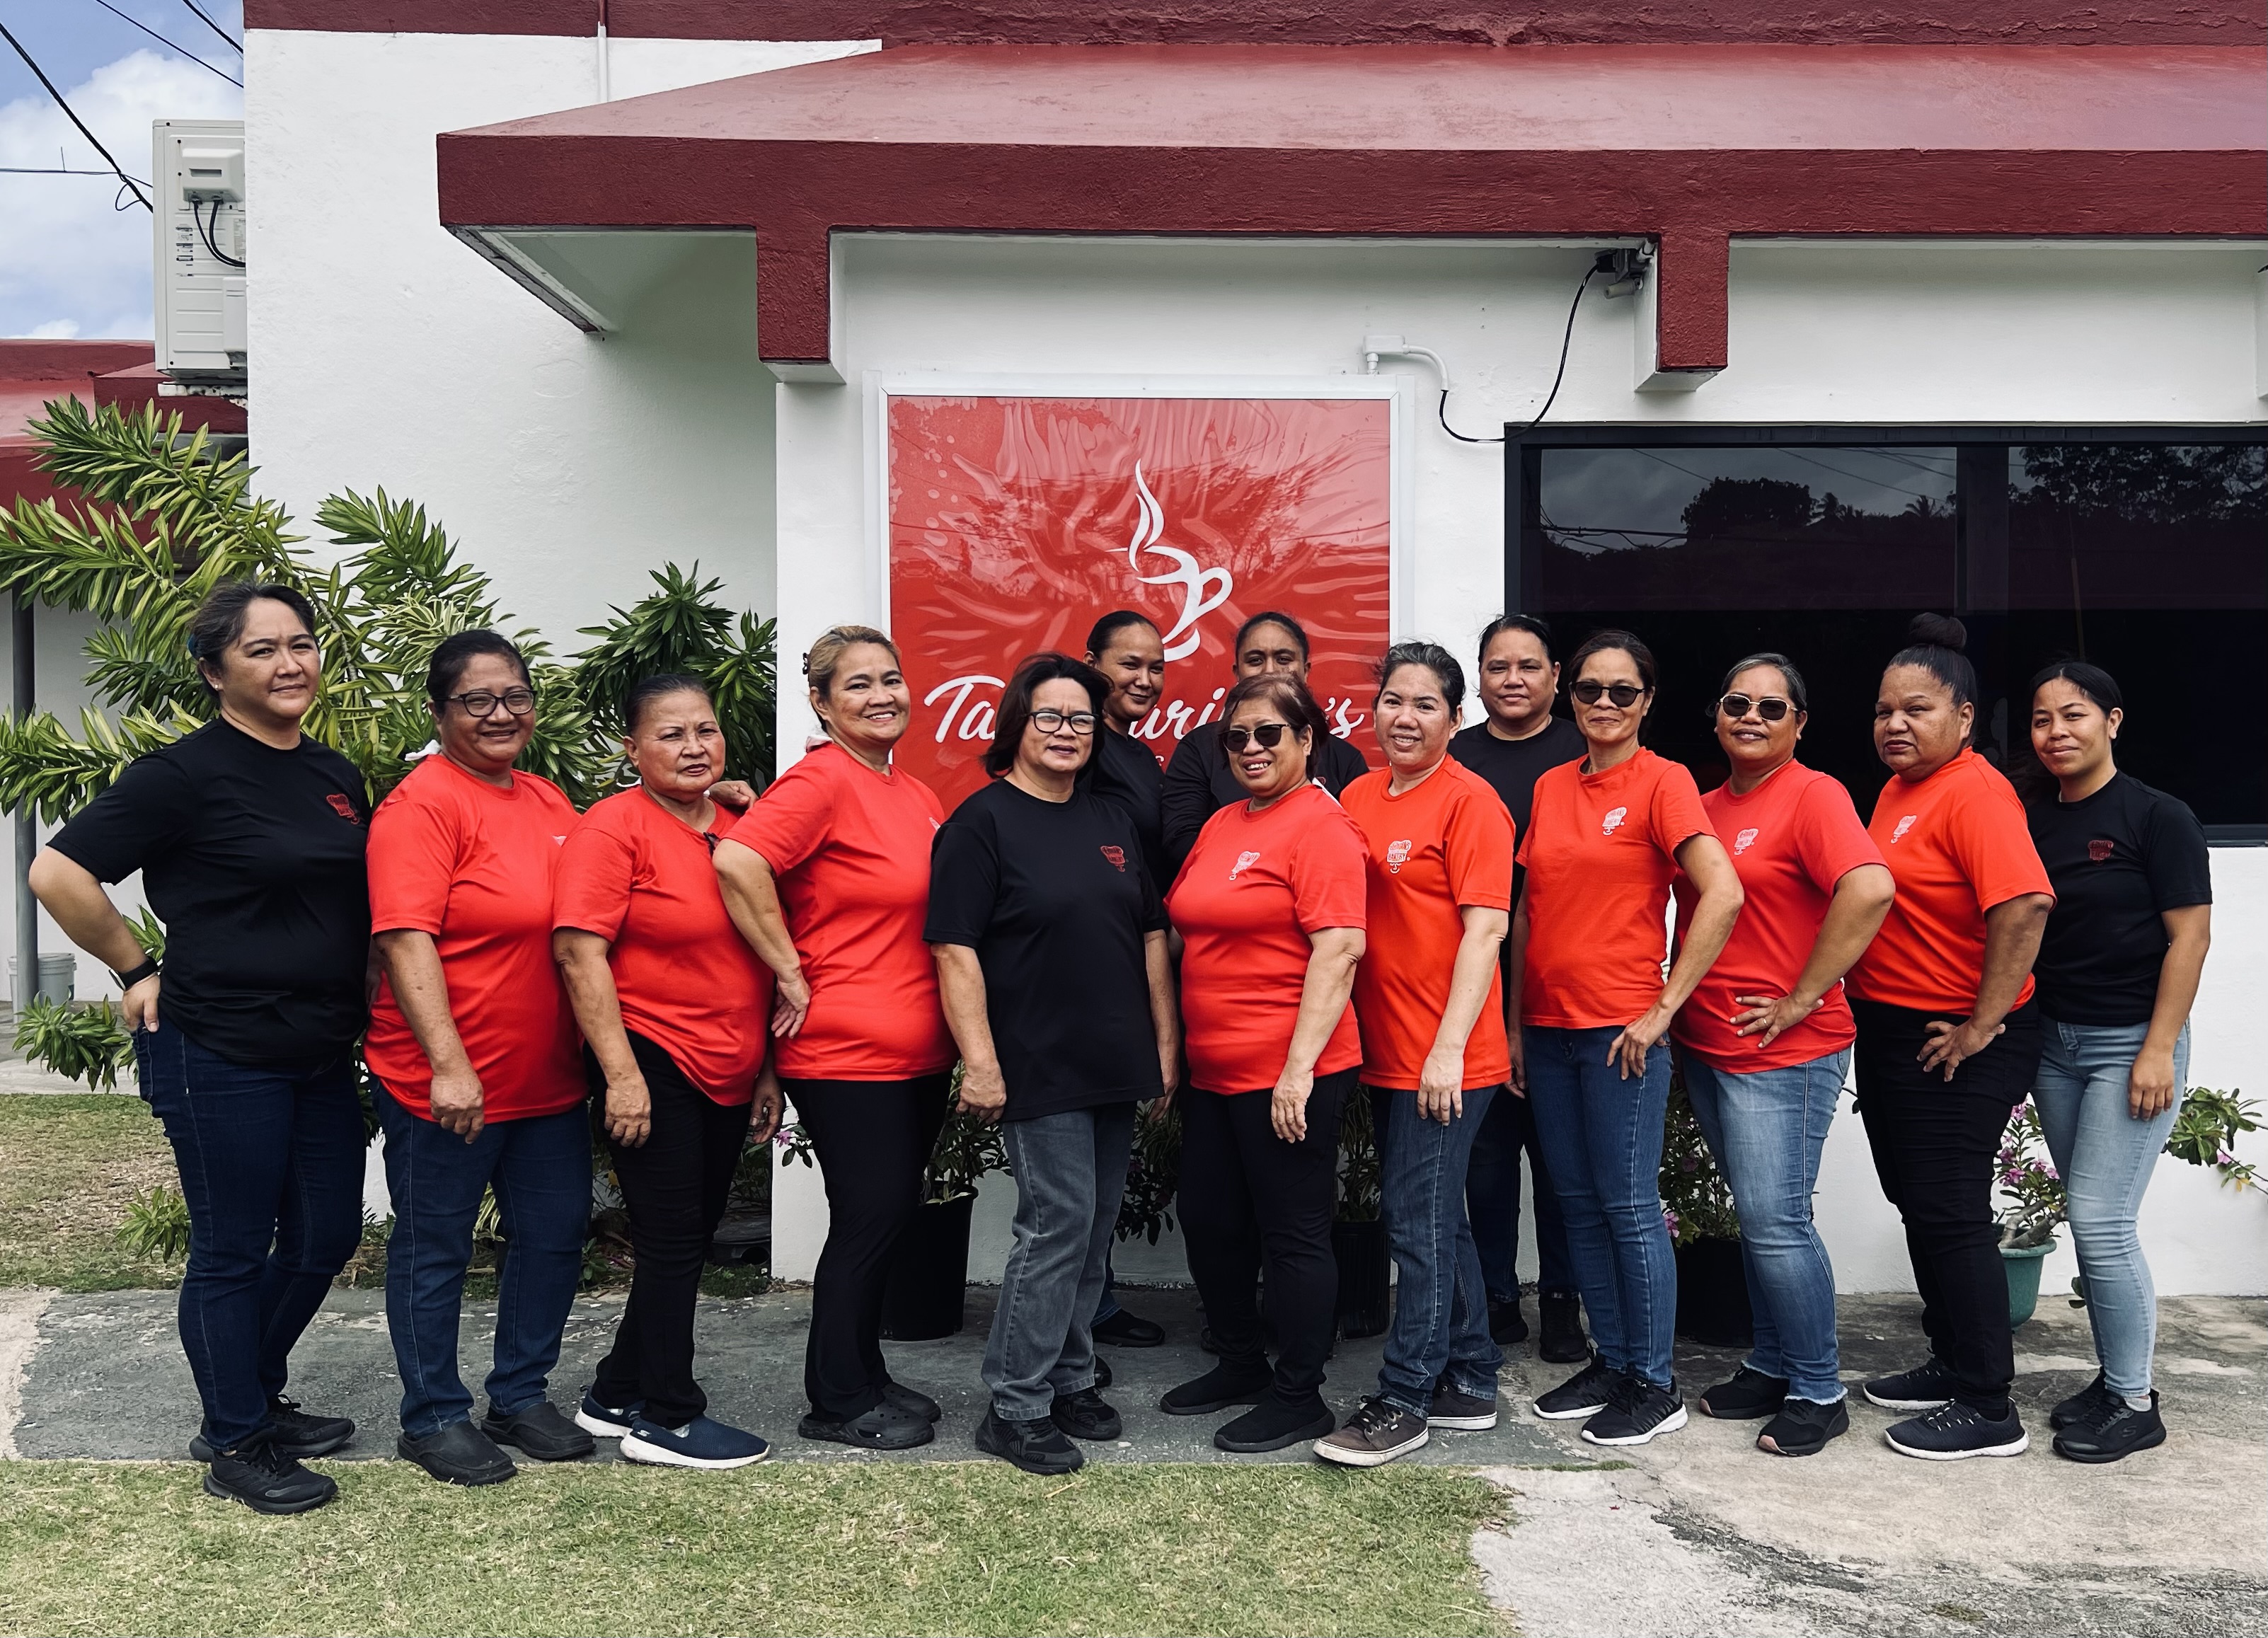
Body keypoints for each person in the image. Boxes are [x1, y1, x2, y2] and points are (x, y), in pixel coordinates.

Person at [31, 582, 369, 1514]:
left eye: (301, 643)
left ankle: (249, 1392)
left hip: (316, 1048)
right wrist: (135, 964)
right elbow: (57, 870)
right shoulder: (183, 774)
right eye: (262, 649)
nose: (290, 662)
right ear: (216, 670)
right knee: (230, 1247)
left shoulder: (334, 774)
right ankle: (235, 1436)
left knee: (325, 1233)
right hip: (217, 1046)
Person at [926, 653, 1178, 1476]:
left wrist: (1161, 1045)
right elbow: (954, 950)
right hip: (1036, 1062)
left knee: (1093, 1226)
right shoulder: (981, 824)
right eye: (1050, 717)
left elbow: (1147, 933)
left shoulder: (1108, 821)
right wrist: (980, 1063)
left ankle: (1070, 1377)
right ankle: (1016, 1402)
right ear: (1018, 727)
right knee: (1056, 1224)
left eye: (1080, 720)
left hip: (1114, 1057)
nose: (1067, 732)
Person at [714, 625, 957, 1451]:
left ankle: (865, 1369)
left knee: (890, 1215)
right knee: (870, 1213)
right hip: (845, 1051)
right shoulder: (821, 781)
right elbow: (739, 861)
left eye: (891, 678)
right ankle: (837, 1397)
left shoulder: (911, 792)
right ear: (820, 702)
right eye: (856, 685)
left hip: (915, 1049)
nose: (882, 695)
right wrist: (787, 967)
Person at [366, 632, 596, 1486]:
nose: (500, 714)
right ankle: (431, 1416)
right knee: (434, 1246)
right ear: (439, 711)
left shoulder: (545, 799)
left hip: (545, 1080)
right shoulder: (421, 805)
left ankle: (520, 1393)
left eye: (515, 696)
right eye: (476, 699)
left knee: (553, 1234)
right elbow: (402, 936)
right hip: (446, 1082)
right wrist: (449, 1064)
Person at [1511, 629, 1743, 1448]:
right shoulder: (1548, 786)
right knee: (1575, 1207)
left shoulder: (1665, 781)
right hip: (1549, 1029)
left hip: (1621, 1034)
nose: (1602, 704)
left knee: (1628, 1205)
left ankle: (1653, 1381)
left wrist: (1664, 1007)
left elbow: (1722, 892)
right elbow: (1530, 911)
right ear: (1567, 697)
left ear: (1647, 701)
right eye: (1588, 689)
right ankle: (1613, 1361)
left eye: (1621, 691)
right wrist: (1512, 1021)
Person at [553, 674, 781, 1470]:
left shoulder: (741, 828)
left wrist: (765, 1072)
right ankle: (669, 1417)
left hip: (730, 1060)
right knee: (674, 1238)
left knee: (684, 1236)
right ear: (632, 748)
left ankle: (614, 1392)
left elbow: (757, 952)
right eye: (670, 734)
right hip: (650, 1054)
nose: (694, 747)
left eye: (705, 730)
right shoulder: (611, 829)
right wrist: (620, 1075)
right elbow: (580, 955)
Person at [1672, 654, 1895, 1458]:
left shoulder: (1814, 794)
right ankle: (1770, 1361)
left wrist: (1803, 994)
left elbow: (1869, 887)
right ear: (1716, 714)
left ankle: (1817, 1387)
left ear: (1799, 722)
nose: (1753, 716)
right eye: (1737, 702)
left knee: (1776, 1220)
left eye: (1773, 706)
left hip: (1783, 1049)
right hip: (1705, 1041)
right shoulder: (1703, 807)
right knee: (1755, 1217)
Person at [1846, 613, 2054, 1461]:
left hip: (1954, 1036)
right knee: (1918, 1202)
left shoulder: (1974, 790)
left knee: (1952, 1211)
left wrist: (1982, 1021)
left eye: (1917, 708)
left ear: (1963, 717)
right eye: (1884, 709)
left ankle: (1987, 1403)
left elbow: (2026, 903)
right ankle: (1951, 1358)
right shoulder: (1899, 790)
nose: (1895, 723)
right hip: (1894, 1027)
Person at [1318, 642, 1514, 1468]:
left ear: (1454, 718)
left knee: (1415, 1221)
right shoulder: (1359, 794)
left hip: (1448, 1059)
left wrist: (1446, 1048)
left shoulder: (1472, 802)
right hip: (1387, 1049)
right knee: (1438, 1220)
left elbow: (1487, 929)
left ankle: (1404, 1397)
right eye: (1393, 701)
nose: (1405, 717)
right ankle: (1468, 1376)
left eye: (1425, 704)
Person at [1163, 672, 1366, 1453]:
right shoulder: (1222, 823)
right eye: (1237, 736)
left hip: (1290, 1072)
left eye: (1268, 734)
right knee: (1212, 1219)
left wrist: (1298, 1070)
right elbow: (1191, 929)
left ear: (1307, 738)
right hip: (1215, 1069)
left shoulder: (1320, 825)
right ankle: (1241, 1360)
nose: (1251, 748)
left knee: (1293, 1232)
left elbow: (1340, 946)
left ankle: (1299, 1393)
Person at [2025, 662, 2211, 1463]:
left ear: (2112, 720)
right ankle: (2111, 1380)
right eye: (2040, 719)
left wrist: (2158, 1048)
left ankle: (2134, 1400)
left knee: (2102, 1222)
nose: (2056, 731)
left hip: (2130, 1044)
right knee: (2086, 1216)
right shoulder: (2032, 817)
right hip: (2054, 1044)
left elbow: (2190, 936)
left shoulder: (2156, 815)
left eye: (2073, 715)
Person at [1448, 613, 1590, 1361]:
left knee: (1562, 1159)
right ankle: (1496, 1295)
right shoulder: (1456, 755)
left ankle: (1564, 1300)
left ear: (1554, 675)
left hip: (1559, 984)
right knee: (1486, 1158)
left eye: (1528, 665)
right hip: (1469, 982)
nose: (1512, 678)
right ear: (1478, 674)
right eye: (1497, 665)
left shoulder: (1583, 750)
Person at [1078, 609, 1173, 1351]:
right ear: (1090, 663)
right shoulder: (1073, 746)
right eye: (1127, 663)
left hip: (1134, 965)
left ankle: (1095, 1305)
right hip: (1079, 970)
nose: (1143, 678)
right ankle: (1073, 1324)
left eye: (1155, 666)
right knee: (1071, 1173)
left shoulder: (1141, 759)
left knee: (1110, 1150)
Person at [1160, 611, 1369, 876]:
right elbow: (1181, 843)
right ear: (1237, 671)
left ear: (1305, 670)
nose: (1270, 671)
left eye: (1284, 659)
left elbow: (1357, 849)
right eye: (1256, 660)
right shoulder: (1201, 747)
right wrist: (1253, 880)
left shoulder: (1345, 759)